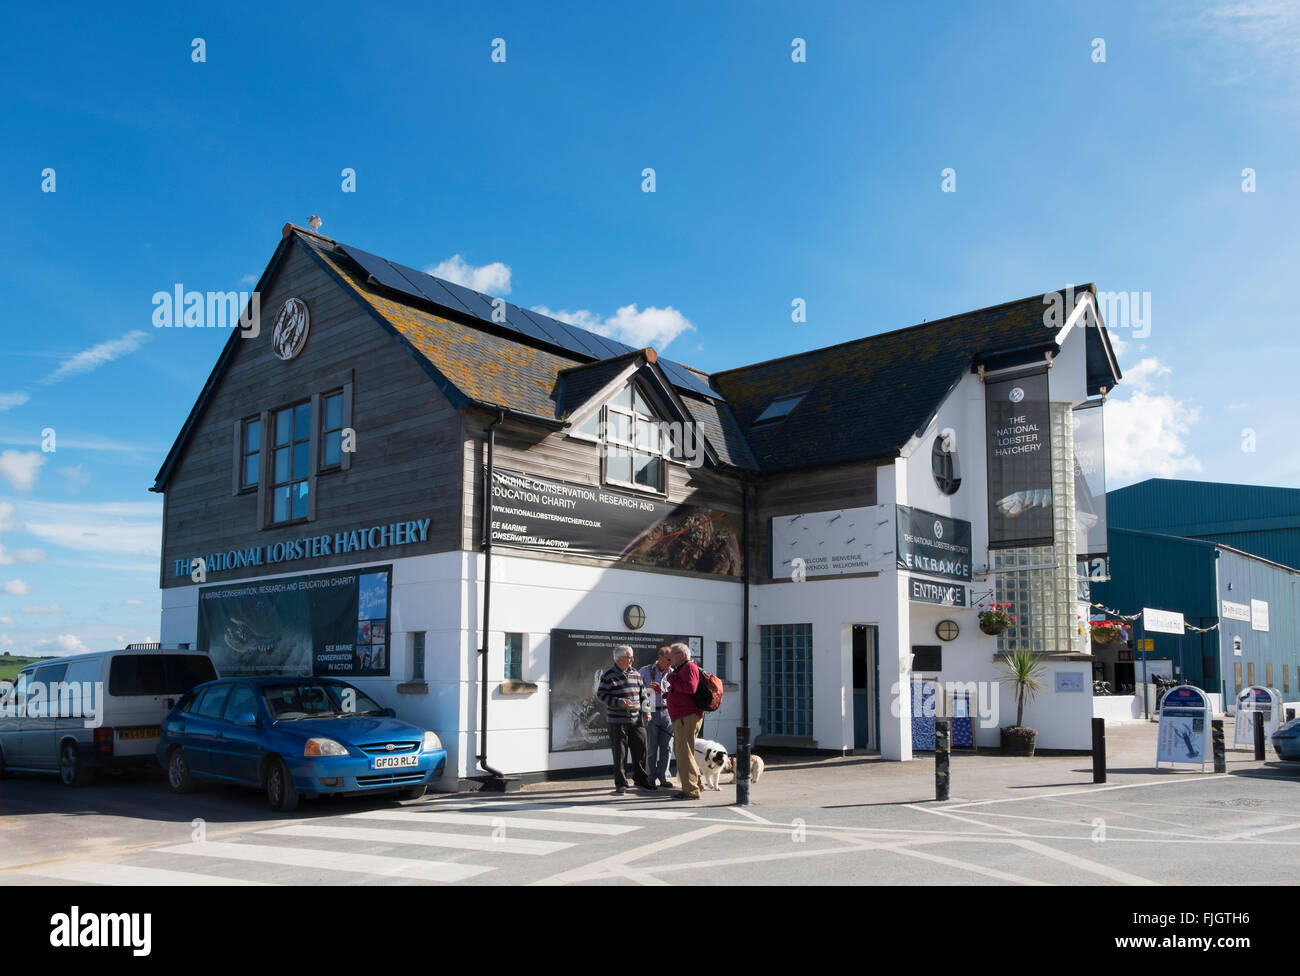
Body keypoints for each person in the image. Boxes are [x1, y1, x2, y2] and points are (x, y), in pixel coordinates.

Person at [596, 646, 654, 794]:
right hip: (617, 721)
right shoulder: (608, 675)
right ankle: (621, 783)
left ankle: (641, 779)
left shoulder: (636, 673)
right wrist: (619, 702)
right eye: (629, 657)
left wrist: (647, 712)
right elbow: (601, 695)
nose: (632, 660)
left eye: (631, 657)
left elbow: (644, 695)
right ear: (619, 658)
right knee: (620, 754)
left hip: (637, 720)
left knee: (641, 750)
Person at [665, 642, 703, 800]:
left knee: (683, 753)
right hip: (684, 717)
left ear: (681, 655)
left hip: (686, 717)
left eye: (671, 655)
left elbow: (690, 688)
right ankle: (696, 784)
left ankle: (691, 791)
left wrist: (672, 678)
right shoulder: (683, 668)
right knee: (687, 753)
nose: (669, 658)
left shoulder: (688, 668)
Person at [639, 646, 674, 788]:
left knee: (667, 747)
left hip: (668, 712)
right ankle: (650, 777)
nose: (671, 662)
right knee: (651, 747)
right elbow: (639, 693)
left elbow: (676, 694)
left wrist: (663, 691)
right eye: (669, 659)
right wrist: (648, 689)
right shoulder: (645, 671)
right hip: (651, 711)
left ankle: (664, 777)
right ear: (660, 658)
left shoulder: (673, 673)